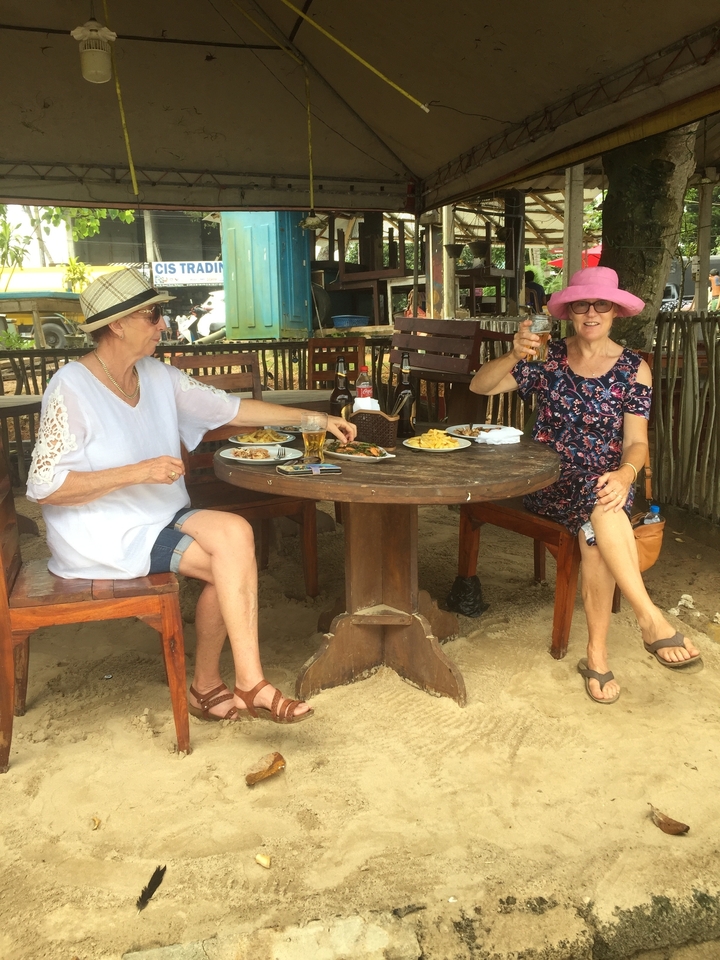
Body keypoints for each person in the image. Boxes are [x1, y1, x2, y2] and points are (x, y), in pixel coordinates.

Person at [25, 268, 357, 724]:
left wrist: (314, 420)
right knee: (229, 563)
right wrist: (138, 471)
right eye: (153, 315)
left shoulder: (156, 375)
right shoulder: (71, 387)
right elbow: (46, 488)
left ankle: (235, 683)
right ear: (116, 325)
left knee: (236, 534)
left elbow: (234, 408)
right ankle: (230, 684)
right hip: (101, 531)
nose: (163, 324)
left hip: (158, 512)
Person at [469, 266, 701, 704]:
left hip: (610, 481)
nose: (591, 312)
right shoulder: (548, 357)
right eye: (581, 304)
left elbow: (636, 443)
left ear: (615, 312)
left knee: (597, 527)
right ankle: (649, 618)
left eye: (601, 304)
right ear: (570, 312)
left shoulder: (634, 370)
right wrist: (514, 354)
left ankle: (597, 655)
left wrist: (627, 474)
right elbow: (481, 387)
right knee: (601, 514)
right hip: (550, 479)